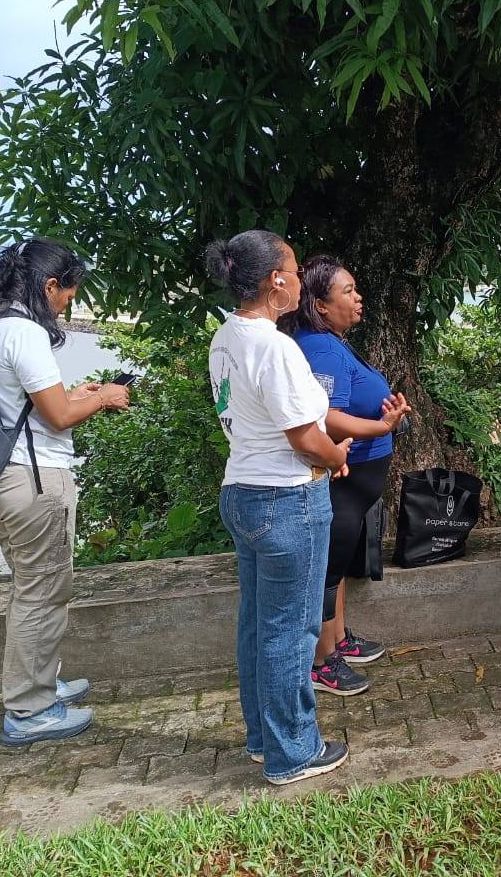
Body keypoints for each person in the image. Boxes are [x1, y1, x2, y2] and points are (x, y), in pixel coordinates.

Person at [0, 240, 131, 747]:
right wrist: (102, 397)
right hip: (32, 481)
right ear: (49, 286)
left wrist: (79, 395)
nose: (67, 307)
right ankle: (29, 710)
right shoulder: (25, 333)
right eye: (66, 296)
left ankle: (38, 683)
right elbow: (57, 417)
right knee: (44, 590)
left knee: (29, 585)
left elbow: (25, 405)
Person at [206, 229, 353, 786]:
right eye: (292, 267)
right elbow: (303, 436)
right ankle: (293, 751)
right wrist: (334, 453)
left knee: (258, 626)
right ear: (276, 280)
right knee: (291, 629)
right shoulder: (273, 345)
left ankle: (263, 738)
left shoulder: (227, 336)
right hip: (287, 497)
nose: (296, 276)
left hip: (241, 490)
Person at [283, 254, 412, 697]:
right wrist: (382, 426)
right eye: (348, 291)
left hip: (357, 482)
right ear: (320, 304)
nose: (359, 298)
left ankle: (337, 640)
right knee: (326, 569)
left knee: (335, 568)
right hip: (343, 476)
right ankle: (321, 662)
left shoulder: (331, 341)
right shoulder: (319, 347)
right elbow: (326, 416)